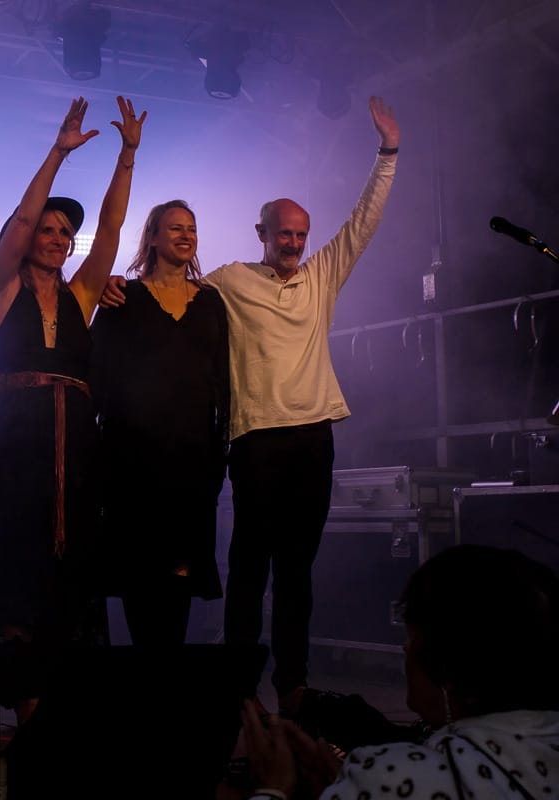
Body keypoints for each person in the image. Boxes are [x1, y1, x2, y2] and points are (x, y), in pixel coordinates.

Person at [101, 96, 399, 710]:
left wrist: (387, 153)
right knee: (248, 569)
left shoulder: (321, 275)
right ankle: (238, 693)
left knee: (297, 571)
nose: (293, 242)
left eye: (300, 234)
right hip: (256, 440)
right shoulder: (228, 282)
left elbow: (362, 222)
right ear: (261, 233)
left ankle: (292, 686)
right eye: (283, 233)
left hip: (314, 437)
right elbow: (167, 290)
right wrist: (115, 286)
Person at [0, 95, 145, 725]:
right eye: (49, 230)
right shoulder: (3, 285)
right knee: (14, 557)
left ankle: (63, 700)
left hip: (76, 443)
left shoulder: (83, 293)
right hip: (14, 439)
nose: (57, 239)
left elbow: (111, 229)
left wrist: (127, 155)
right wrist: (57, 153)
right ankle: (20, 697)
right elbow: (17, 223)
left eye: (65, 233)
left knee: (71, 562)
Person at [240, 544, 559, 800]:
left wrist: (273, 787)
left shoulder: (392, 777)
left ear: (446, 668)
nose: (405, 649)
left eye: (412, 636)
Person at [89, 199, 229, 646]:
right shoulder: (123, 297)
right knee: (140, 572)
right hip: (134, 459)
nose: (186, 235)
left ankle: (167, 674)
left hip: (192, 459)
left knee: (181, 572)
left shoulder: (210, 302)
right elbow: (95, 375)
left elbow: (222, 378)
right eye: (175, 228)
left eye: (191, 228)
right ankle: (148, 674)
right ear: (151, 237)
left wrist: (220, 450)